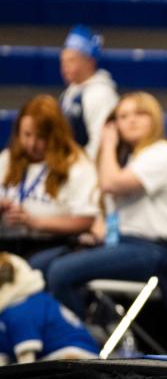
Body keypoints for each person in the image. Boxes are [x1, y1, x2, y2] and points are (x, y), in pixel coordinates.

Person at [44, 92, 167, 320]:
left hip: (152, 250)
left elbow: (112, 184)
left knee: (60, 272)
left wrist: (108, 143)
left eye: (140, 113)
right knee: (42, 264)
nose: (131, 120)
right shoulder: (132, 159)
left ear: (155, 118)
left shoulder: (161, 152)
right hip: (122, 244)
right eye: (122, 116)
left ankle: (82, 343)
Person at [0, 96, 98, 264]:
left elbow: (86, 220)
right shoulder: (7, 159)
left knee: (36, 266)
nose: (31, 144)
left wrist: (35, 222)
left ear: (56, 135)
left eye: (40, 137)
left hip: (52, 245)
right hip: (7, 241)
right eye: (27, 135)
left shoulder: (76, 164)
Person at [58, 25, 118, 162]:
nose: (64, 67)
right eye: (62, 61)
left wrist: (79, 169)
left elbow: (100, 144)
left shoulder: (100, 95)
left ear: (89, 62)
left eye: (71, 60)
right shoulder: (69, 93)